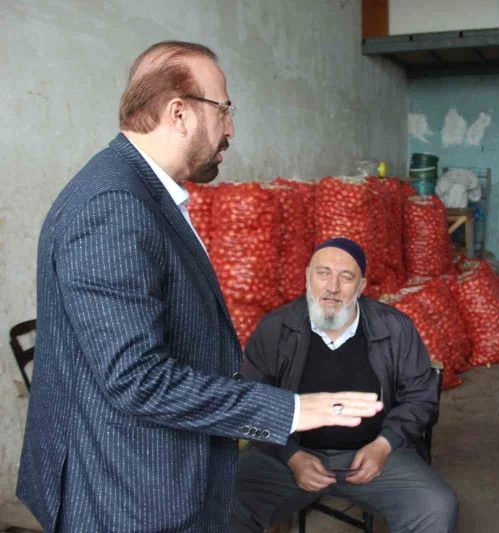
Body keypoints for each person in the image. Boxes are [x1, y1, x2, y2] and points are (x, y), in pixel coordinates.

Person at [16, 41, 382, 533]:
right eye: (224, 110)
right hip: (126, 492)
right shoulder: (113, 206)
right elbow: (136, 379)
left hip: (152, 475)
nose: (230, 128)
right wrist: (288, 410)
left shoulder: (144, 192)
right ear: (179, 113)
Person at [232, 237, 458, 533]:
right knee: (222, 500)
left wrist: (385, 444)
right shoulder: (275, 329)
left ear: (361, 286)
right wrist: (292, 456)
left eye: (346, 277)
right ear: (307, 277)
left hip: (377, 455)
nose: (333, 287)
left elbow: (420, 397)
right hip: (287, 454)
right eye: (323, 273)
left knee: (436, 507)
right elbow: (253, 403)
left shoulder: (395, 328)